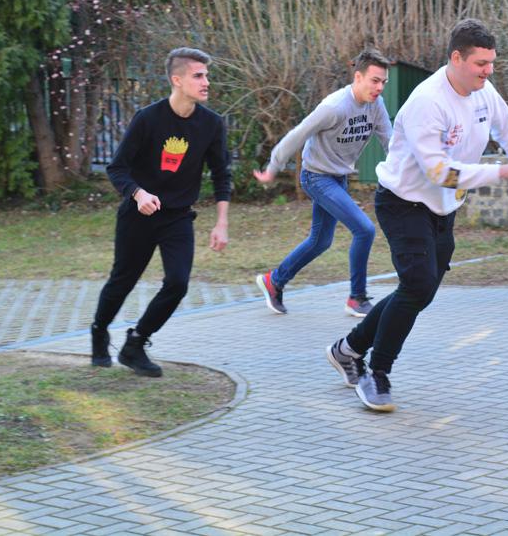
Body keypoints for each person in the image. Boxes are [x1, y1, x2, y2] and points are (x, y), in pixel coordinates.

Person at [325, 19, 508, 412]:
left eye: (491, 62)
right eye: (481, 63)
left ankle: (349, 348)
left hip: (444, 208)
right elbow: (440, 172)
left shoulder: (483, 91)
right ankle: (377, 374)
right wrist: (501, 172)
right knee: (417, 285)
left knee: (419, 291)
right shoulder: (428, 102)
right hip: (402, 203)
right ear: (456, 58)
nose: (488, 70)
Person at [90, 47, 231, 376]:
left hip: (177, 217)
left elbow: (221, 175)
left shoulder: (211, 124)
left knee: (178, 283)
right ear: (177, 80)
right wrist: (138, 193)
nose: (206, 82)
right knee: (123, 281)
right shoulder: (148, 118)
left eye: (207, 75)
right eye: (198, 76)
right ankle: (99, 331)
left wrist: (221, 222)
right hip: (138, 216)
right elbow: (117, 168)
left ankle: (135, 344)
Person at [253, 49, 393, 317]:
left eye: (383, 82)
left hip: (338, 178)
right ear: (358, 77)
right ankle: (356, 298)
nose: (379, 87)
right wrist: (273, 167)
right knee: (364, 230)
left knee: (320, 241)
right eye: (375, 80)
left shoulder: (376, 105)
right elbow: (298, 134)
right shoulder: (334, 106)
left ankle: (274, 281)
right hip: (316, 177)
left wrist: (409, 173)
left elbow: (391, 142)